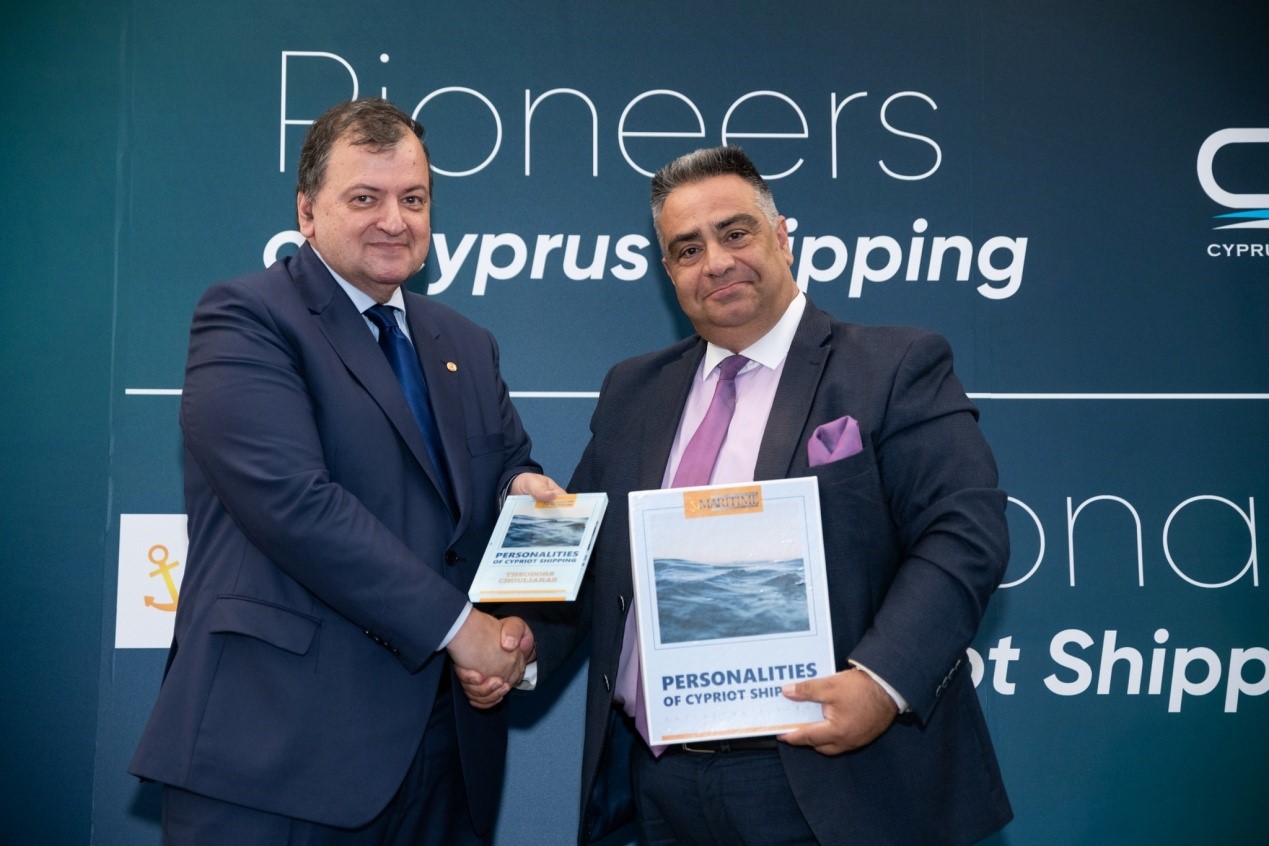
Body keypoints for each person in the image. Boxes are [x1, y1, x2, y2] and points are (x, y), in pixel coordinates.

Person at [468, 145, 1013, 844]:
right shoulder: (633, 390)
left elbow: (963, 534)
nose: (716, 262)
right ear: (668, 271)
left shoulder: (893, 366)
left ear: (781, 236)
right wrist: (519, 643)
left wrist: (881, 682)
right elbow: (592, 563)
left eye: (735, 233)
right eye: (687, 249)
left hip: (833, 780)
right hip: (658, 789)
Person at [129, 97, 563, 845]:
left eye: (413, 199)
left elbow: (504, 470)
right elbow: (294, 504)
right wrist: (462, 629)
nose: (394, 220)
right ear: (307, 210)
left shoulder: (465, 342)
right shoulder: (246, 316)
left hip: (444, 759)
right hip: (277, 753)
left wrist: (520, 496)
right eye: (365, 198)